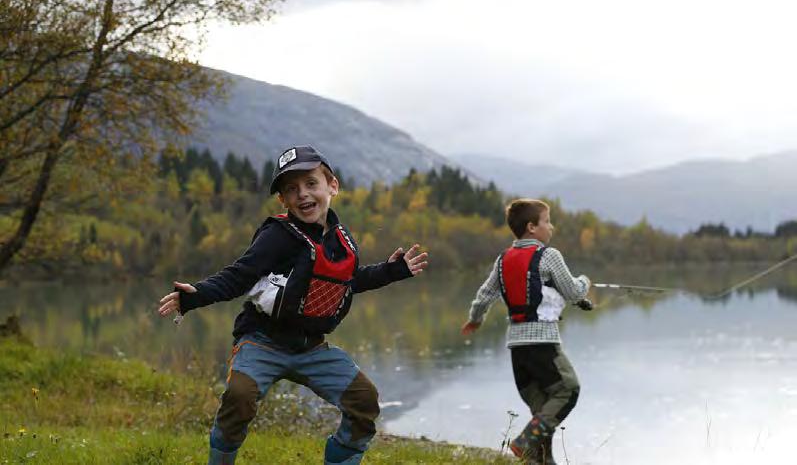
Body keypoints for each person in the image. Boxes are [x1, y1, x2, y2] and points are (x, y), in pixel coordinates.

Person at [158, 145, 428, 465]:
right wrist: (197, 295)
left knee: (364, 401)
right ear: (283, 201)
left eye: (311, 184)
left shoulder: (340, 239)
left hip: (311, 349)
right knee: (239, 397)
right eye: (291, 189)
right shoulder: (277, 235)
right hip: (261, 342)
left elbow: (350, 281)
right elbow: (239, 275)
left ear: (332, 186)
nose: (303, 194)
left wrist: (392, 271)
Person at [461, 198, 592, 465]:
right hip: (543, 345)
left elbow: (484, 296)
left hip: (517, 350)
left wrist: (475, 319)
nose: (551, 227)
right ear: (532, 227)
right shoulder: (549, 256)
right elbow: (573, 291)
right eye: (547, 221)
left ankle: (540, 460)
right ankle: (523, 443)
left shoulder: (503, 260)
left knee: (542, 410)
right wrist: (585, 282)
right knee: (568, 390)